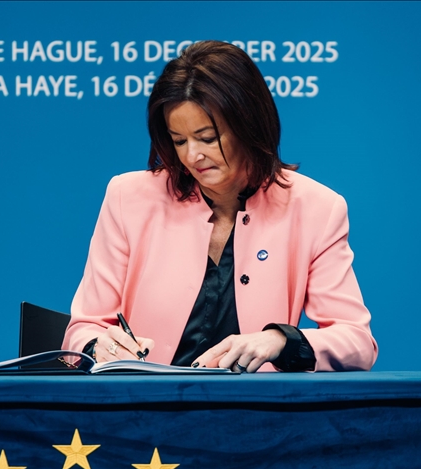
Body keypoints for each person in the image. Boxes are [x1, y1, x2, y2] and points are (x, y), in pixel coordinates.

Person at [61, 41, 377, 372]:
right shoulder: (127, 196)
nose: (192, 155)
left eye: (208, 138)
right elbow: (82, 329)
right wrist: (97, 347)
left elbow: (357, 342)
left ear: (249, 126)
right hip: (144, 400)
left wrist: (280, 340)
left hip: (255, 403)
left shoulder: (316, 208)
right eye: (179, 140)